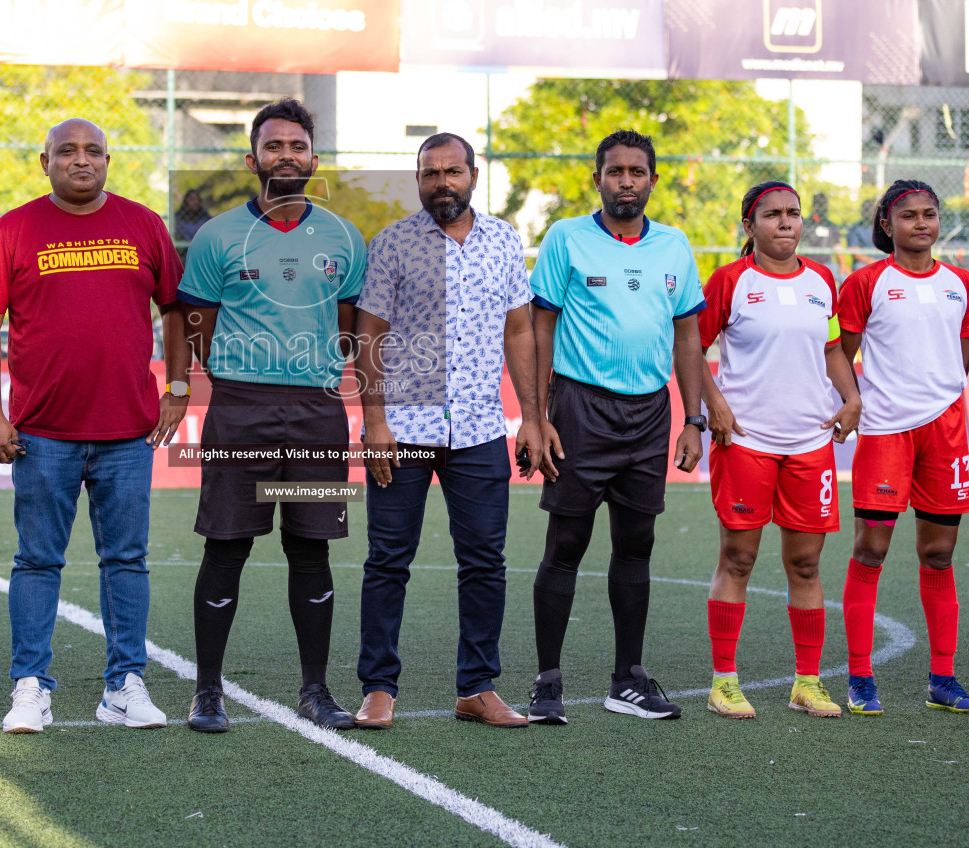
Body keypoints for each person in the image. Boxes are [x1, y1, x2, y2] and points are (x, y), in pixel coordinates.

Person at [0, 117, 187, 734]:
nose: (81, 160)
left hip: (128, 432)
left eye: (93, 150)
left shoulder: (144, 225)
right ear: (44, 162)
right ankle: (30, 687)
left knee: (127, 560)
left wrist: (178, 385)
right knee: (37, 561)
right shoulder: (13, 230)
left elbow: (176, 309)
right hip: (42, 433)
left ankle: (124, 685)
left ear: (108, 160)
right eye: (66, 151)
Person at [179, 98, 366, 733]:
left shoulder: (344, 237)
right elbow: (196, 327)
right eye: (273, 145)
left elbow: (349, 332)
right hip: (240, 411)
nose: (286, 155)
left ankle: (315, 689)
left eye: (297, 146)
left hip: (316, 413)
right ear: (253, 157)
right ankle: (207, 691)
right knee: (225, 547)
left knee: (311, 550)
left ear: (314, 158)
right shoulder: (217, 235)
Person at [352, 133, 547, 730]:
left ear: (473, 175)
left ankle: (477, 687)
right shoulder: (392, 244)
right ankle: (379, 688)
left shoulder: (505, 241)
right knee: (388, 559)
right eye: (430, 173)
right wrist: (375, 421)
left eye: (452, 172)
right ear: (418, 179)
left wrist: (533, 418)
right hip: (402, 427)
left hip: (481, 427)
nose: (441, 182)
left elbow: (519, 331)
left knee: (485, 560)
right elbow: (369, 335)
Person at [526, 129, 706, 725]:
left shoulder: (675, 246)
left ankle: (627, 679)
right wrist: (541, 412)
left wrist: (693, 419)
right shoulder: (566, 238)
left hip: (651, 414)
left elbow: (687, 337)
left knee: (637, 545)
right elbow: (540, 326)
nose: (626, 181)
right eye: (615, 171)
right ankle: (547, 681)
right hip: (581, 409)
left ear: (653, 180)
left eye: (637, 171)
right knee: (567, 544)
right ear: (597, 178)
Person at [699, 181, 862, 721]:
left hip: (812, 442)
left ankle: (806, 684)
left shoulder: (822, 280)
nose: (786, 223)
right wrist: (714, 404)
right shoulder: (729, 281)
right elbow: (691, 350)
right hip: (745, 441)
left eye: (793, 213)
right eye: (773, 215)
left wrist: (851, 397)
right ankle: (724, 682)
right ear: (750, 226)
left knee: (807, 564)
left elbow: (833, 348)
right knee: (738, 558)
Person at [837, 179, 969, 716]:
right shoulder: (865, 282)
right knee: (869, 551)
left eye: (929, 214)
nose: (921, 223)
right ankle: (859, 676)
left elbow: (962, 356)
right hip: (885, 433)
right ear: (887, 225)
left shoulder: (961, 283)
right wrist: (855, 402)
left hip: (946, 432)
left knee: (939, 554)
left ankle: (943, 680)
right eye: (908, 216)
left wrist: (936, 395)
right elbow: (840, 352)